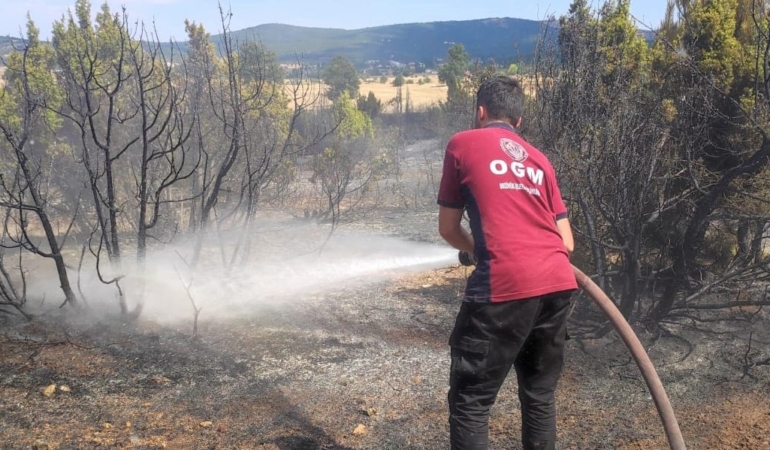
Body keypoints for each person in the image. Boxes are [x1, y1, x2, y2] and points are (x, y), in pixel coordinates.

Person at [437, 75, 577, 450]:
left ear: (480, 112)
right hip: (558, 283)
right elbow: (567, 242)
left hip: (504, 285)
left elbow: (449, 228)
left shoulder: (462, 144)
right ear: (519, 122)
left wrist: (476, 249)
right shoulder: (540, 160)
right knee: (539, 396)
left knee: (471, 403)